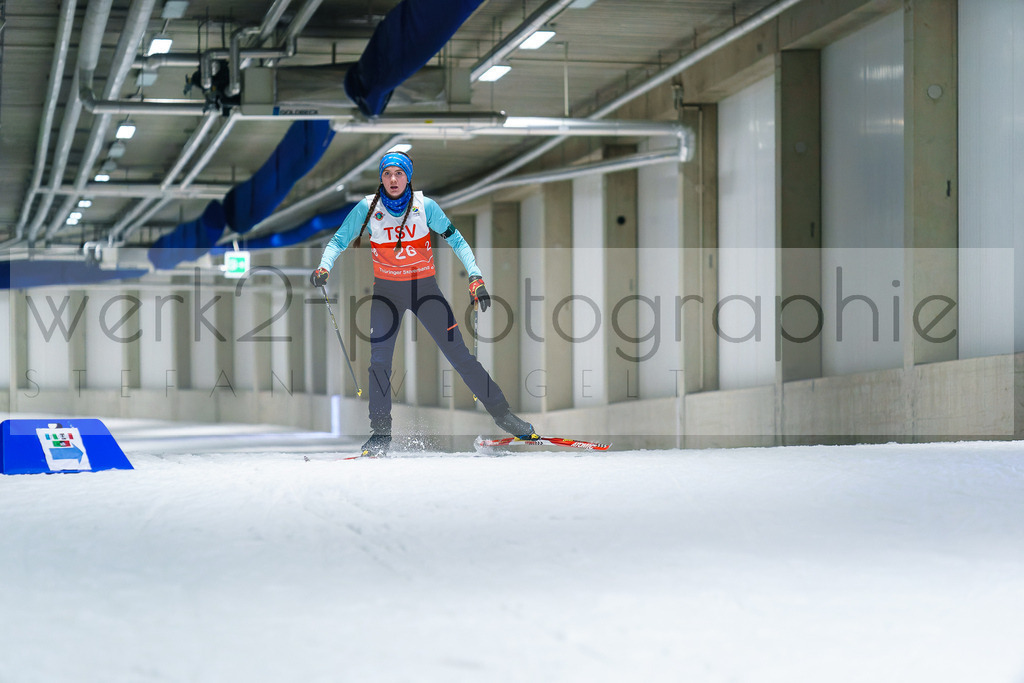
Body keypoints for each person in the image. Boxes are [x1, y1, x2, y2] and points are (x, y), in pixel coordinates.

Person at [311, 150, 537, 457]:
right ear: (381, 177)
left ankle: (503, 415)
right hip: (386, 293)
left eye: (399, 173)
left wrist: (476, 277)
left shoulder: (425, 206)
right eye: (388, 173)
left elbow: (456, 239)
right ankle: (380, 434)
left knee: (459, 356)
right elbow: (339, 240)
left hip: (424, 290)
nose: (393, 179)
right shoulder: (368, 208)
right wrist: (324, 266)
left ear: (408, 177)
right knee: (379, 362)